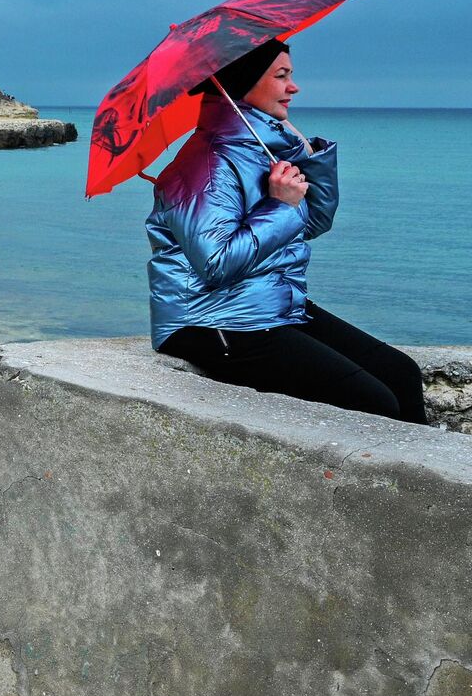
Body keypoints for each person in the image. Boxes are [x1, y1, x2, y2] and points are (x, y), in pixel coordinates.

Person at [146, 38, 426, 423]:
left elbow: (312, 223)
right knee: (374, 403)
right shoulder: (203, 166)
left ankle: (418, 480)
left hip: (271, 305)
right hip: (212, 320)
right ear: (242, 83)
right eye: (281, 76)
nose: (293, 87)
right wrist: (280, 205)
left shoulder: (260, 147)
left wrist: (310, 159)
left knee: (401, 374)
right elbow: (215, 263)